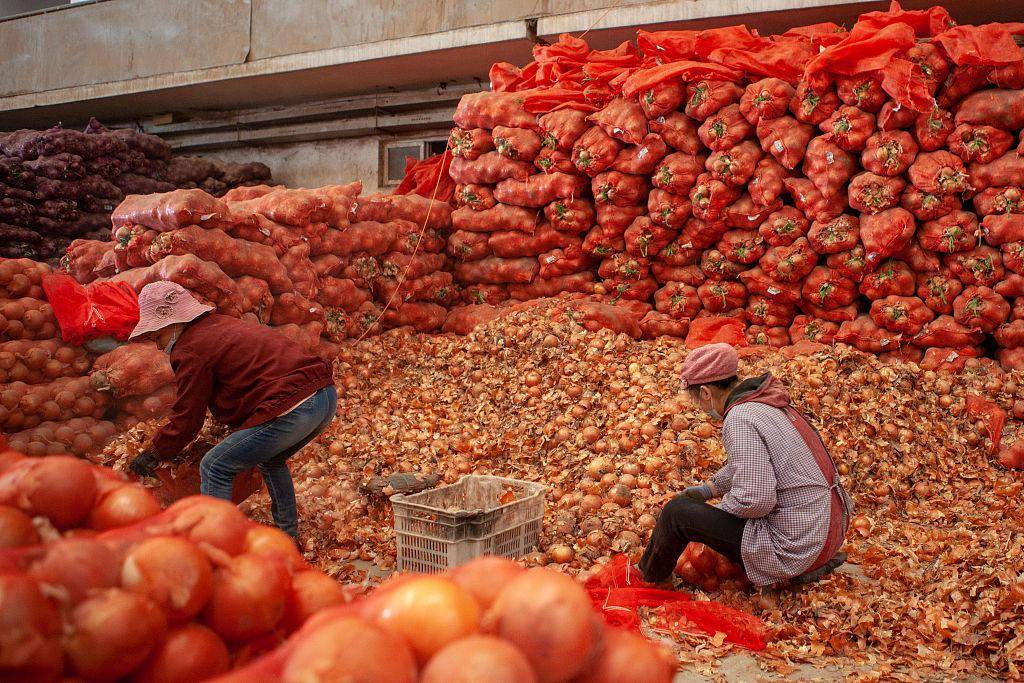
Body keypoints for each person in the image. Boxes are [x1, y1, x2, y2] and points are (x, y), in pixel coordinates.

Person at [127, 281, 337, 543]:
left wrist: (155, 452)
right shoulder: (218, 324)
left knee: (215, 466)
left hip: (294, 405)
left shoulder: (190, 348)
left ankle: (218, 547)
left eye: (158, 337)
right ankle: (288, 537)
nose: (159, 347)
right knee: (271, 460)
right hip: (324, 397)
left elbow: (188, 418)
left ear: (172, 324)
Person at [639, 343, 853, 588]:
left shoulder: (739, 418)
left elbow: (756, 500)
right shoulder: (765, 403)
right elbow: (753, 464)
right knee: (688, 509)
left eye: (698, 401)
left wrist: (710, 517)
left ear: (706, 393)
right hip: (827, 534)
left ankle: (651, 582)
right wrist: (709, 489)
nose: (701, 409)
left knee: (676, 514)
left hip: (797, 547)